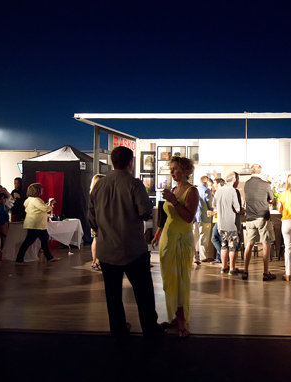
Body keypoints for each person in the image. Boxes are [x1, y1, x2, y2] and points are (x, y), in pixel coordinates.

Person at [89, 146, 167, 342]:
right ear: (130, 163)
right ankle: (149, 329)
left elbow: (91, 217)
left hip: (107, 250)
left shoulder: (99, 185)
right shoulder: (134, 184)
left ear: (113, 162)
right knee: (144, 293)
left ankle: (119, 330)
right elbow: (144, 212)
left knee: (112, 294)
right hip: (132, 249)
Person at [150, 155, 199, 339]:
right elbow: (166, 216)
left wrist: (174, 200)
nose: (172, 172)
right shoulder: (173, 189)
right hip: (168, 240)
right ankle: (174, 314)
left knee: (180, 280)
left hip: (182, 240)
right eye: (170, 168)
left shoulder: (191, 191)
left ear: (185, 171)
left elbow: (188, 217)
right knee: (169, 279)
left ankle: (181, 319)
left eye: (175, 168)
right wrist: (157, 233)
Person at [241, 163, 276, 281]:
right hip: (263, 217)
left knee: (249, 244)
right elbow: (271, 199)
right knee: (266, 244)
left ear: (251, 172)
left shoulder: (246, 184)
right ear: (260, 172)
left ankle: (245, 271)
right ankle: (266, 272)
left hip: (250, 217)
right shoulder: (265, 184)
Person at [14, 182, 59, 266]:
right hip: (35, 225)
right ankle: (19, 259)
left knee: (45, 240)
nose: (42, 190)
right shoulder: (36, 200)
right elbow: (46, 208)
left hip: (38, 225)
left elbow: (41, 208)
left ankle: (49, 257)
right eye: (40, 189)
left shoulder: (29, 200)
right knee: (28, 242)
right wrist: (51, 203)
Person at [213, 172, 243, 274]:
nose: (238, 182)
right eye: (238, 180)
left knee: (223, 245)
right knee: (233, 246)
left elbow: (214, 206)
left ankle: (224, 267)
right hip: (231, 224)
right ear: (234, 180)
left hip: (220, 224)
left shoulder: (218, 191)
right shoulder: (233, 191)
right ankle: (232, 268)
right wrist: (245, 211)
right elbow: (238, 209)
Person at [193, 175, 214, 264]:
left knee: (194, 238)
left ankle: (193, 256)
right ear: (206, 182)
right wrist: (213, 209)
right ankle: (203, 257)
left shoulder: (195, 190)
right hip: (205, 217)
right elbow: (209, 204)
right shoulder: (206, 190)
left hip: (195, 217)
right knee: (203, 238)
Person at [88, 174, 104, 271]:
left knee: (95, 240)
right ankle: (98, 261)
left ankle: (94, 261)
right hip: (101, 221)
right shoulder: (101, 194)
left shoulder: (92, 194)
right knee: (99, 241)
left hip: (94, 221)